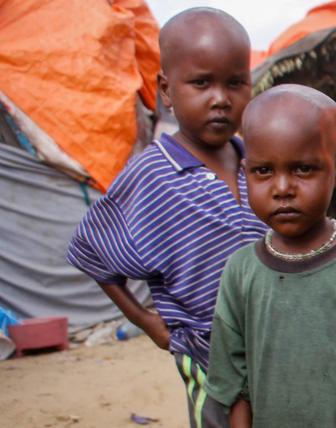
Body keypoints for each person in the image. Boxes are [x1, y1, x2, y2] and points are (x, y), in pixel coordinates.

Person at [66, 8, 266, 427]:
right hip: (205, 352)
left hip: (278, 343)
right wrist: (145, 321)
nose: (220, 98)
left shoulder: (260, 161)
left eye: (235, 83)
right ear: (166, 90)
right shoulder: (153, 174)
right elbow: (92, 251)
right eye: (201, 83)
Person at [205, 85, 336, 427]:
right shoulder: (241, 271)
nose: (282, 188)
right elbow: (236, 388)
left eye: (303, 169)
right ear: (244, 173)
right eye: (263, 171)